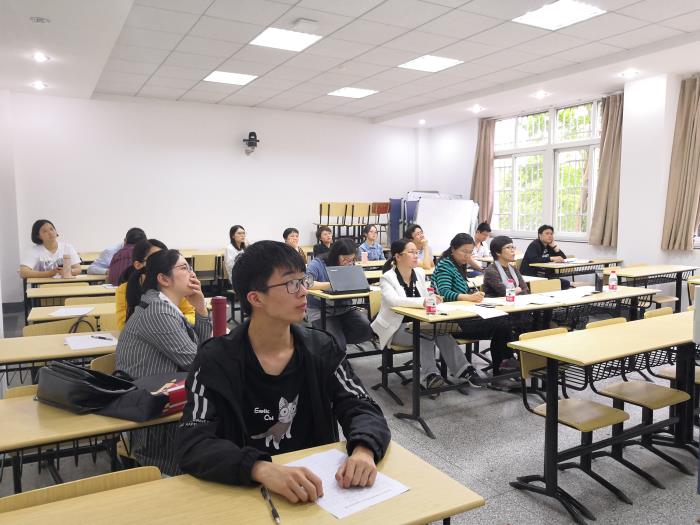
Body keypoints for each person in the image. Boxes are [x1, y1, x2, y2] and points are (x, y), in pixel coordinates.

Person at [176, 241, 390, 502]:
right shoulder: (215, 359)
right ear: (255, 298)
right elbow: (193, 442)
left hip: (319, 490)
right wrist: (259, 468)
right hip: (246, 493)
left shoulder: (320, 348)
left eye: (303, 280)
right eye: (291, 283)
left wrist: (364, 449)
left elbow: (361, 405)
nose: (303, 291)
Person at [117, 249, 211, 475]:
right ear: (164, 279)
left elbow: (200, 347)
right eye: (184, 268)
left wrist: (200, 307)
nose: (192, 273)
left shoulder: (165, 306)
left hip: (168, 403)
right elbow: (197, 362)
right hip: (155, 421)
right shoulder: (158, 311)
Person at [372, 239, 485, 389]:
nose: (416, 256)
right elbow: (394, 301)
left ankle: (464, 370)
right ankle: (430, 375)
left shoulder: (419, 273)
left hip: (420, 323)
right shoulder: (387, 277)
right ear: (398, 256)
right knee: (425, 333)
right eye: (411, 252)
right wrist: (423, 301)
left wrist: (433, 298)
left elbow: (426, 297)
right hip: (395, 328)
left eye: (417, 252)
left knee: (441, 330)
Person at [432, 233, 517, 376]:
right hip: (450, 321)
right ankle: (503, 366)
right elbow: (444, 293)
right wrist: (469, 297)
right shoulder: (445, 266)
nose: (467, 256)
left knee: (503, 322)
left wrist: (473, 296)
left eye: (470, 252)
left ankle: (504, 366)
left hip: (463, 315)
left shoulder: (458, 265)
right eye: (464, 251)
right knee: (502, 324)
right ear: (453, 249)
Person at [306, 239, 374, 351]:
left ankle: (336, 345)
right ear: (335, 254)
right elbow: (306, 283)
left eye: (351, 260)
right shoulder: (318, 263)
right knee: (337, 342)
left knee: (367, 329)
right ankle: (335, 346)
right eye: (345, 259)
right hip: (321, 311)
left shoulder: (350, 264)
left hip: (345, 309)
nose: (348, 263)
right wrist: (332, 284)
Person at [115, 239, 195, 329]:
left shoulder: (174, 285)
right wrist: (169, 321)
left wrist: (174, 321)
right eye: (155, 259)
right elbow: (122, 325)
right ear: (138, 265)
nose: (162, 264)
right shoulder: (124, 290)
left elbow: (191, 315)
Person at [520, 224, 570, 290]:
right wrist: (551, 258)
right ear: (540, 235)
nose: (550, 236)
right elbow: (534, 259)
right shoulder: (534, 245)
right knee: (564, 284)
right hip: (532, 276)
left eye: (551, 234)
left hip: (544, 275)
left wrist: (555, 247)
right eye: (547, 233)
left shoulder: (549, 246)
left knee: (566, 283)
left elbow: (563, 258)